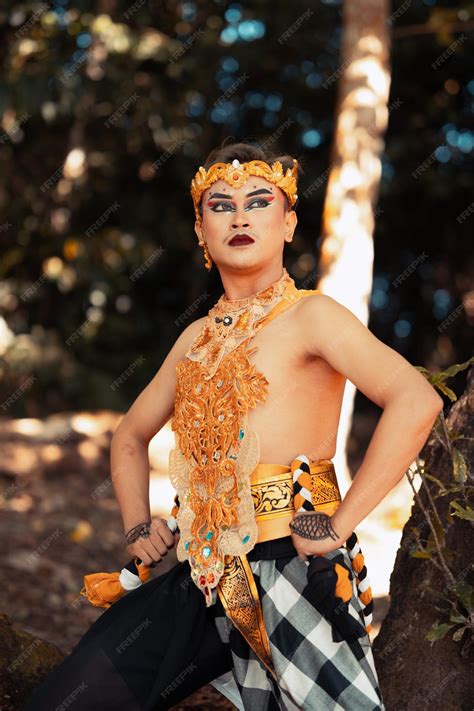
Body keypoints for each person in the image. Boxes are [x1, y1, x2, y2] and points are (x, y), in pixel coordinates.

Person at [24, 141, 443, 711]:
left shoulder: (312, 315)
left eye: (258, 201)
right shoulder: (195, 338)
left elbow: (416, 400)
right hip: (200, 578)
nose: (240, 216)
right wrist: (137, 530)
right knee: (72, 696)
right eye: (220, 205)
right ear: (201, 231)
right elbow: (129, 436)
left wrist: (340, 525)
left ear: (290, 222)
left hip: (291, 567)